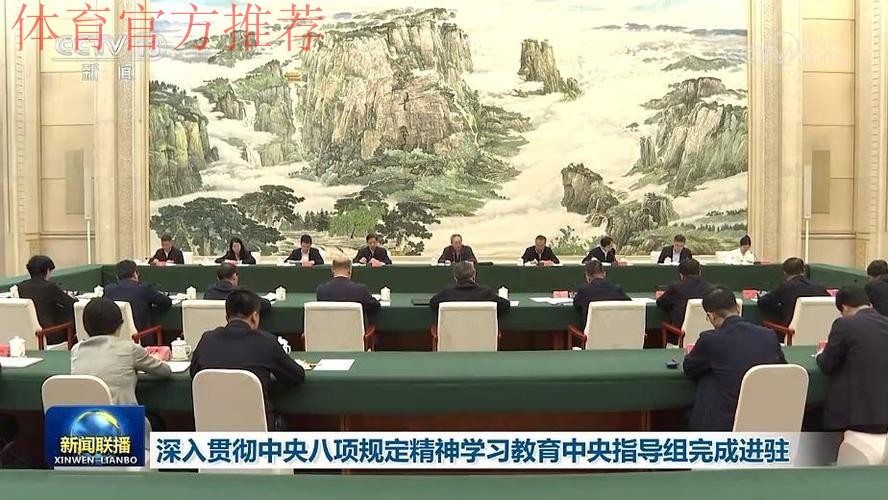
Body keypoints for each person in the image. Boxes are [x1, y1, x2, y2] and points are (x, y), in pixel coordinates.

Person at [189, 289, 305, 430]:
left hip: (212, 428)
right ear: (255, 316)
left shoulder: (207, 339)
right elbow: (297, 376)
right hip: (257, 430)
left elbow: (194, 374)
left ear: (226, 317)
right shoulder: (267, 342)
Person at [683, 286, 786, 431]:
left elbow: (690, 369)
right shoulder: (768, 335)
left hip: (725, 424)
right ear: (737, 307)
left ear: (711, 316)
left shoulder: (710, 340)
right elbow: (782, 368)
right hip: (765, 419)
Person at [71, 298, 172, 405]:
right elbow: (165, 371)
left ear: (85, 326)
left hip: (84, 414)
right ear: (119, 324)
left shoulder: (76, 350)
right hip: (122, 415)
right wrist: (156, 359)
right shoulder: (130, 349)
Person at [817, 287, 888, 433]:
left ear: (844, 308)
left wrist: (820, 355)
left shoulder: (844, 324)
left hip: (854, 418)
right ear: (869, 304)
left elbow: (827, 365)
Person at [103, 260, 172, 343]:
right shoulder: (144, 288)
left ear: (117, 276)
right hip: (142, 338)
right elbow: (166, 302)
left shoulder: (109, 290)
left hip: (115, 341)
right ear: (135, 273)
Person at [17, 255, 76, 345]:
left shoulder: (21, 287)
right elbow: (72, 303)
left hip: (28, 335)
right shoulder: (49, 287)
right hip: (49, 334)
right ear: (47, 271)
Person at [758, 257, 829, 326]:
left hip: (789, 332)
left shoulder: (786, 287)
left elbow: (762, 301)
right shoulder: (819, 287)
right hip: (818, 330)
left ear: (785, 273)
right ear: (803, 271)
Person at [316, 256, 381, 324]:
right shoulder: (360, 290)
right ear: (350, 270)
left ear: (332, 270)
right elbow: (375, 307)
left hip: (330, 329)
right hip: (355, 330)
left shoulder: (321, 290)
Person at [430, 261, 510, 315]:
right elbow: (505, 305)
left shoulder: (447, 293)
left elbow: (433, 303)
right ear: (474, 274)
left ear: (455, 277)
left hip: (453, 335)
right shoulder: (485, 293)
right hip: (481, 334)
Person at [657, 258, 712, 332]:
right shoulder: (710, 289)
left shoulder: (676, 288)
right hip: (706, 334)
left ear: (681, 274)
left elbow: (660, 303)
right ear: (700, 272)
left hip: (680, 335)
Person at [573, 260, 631, 324]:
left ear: (587, 276)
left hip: (592, 330)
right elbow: (630, 305)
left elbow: (576, 304)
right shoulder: (617, 289)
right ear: (604, 274)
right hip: (614, 328)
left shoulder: (583, 291)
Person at [204, 263, 271, 314]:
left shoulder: (209, 292)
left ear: (218, 278)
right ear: (234, 276)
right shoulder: (242, 293)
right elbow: (265, 305)